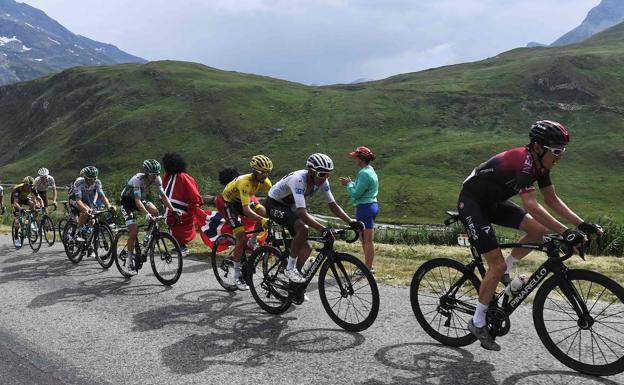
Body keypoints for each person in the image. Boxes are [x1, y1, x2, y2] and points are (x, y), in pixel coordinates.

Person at [457, 120, 602, 351]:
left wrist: (582, 225)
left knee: (539, 232)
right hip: (472, 204)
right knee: (494, 266)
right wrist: (565, 232)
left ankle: (507, 267)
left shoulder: (541, 166)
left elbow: (552, 200)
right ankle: (477, 322)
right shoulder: (523, 162)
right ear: (538, 147)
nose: (560, 155)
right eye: (556, 150)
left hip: (494, 203)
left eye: (563, 150)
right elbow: (532, 205)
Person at [266, 153, 364, 284]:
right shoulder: (298, 180)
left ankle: (294, 283)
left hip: (290, 206)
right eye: (322, 174)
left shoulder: (323, 181)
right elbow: (302, 213)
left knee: (307, 248)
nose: (325, 178)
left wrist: (351, 222)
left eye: (328, 174)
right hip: (274, 204)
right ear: (311, 172)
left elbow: (333, 205)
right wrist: (323, 229)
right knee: (303, 228)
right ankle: (289, 269)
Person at [219, 155, 274, 290]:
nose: (264, 176)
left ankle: (253, 241)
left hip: (244, 198)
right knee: (241, 238)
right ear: (254, 171)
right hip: (230, 204)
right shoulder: (245, 182)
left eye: (267, 172)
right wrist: (263, 221)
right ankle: (237, 275)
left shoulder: (266, 182)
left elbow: (274, 200)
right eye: (262, 172)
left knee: (264, 212)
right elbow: (247, 211)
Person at [120, 159, 181, 275]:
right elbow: (137, 201)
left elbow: (163, 196)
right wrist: (146, 214)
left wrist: (173, 211)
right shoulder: (138, 179)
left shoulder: (157, 179)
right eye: (153, 174)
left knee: (156, 212)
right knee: (133, 232)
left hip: (139, 200)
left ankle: (146, 240)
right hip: (127, 202)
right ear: (146, 173)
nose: (155, 177)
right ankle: (129, 263)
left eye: (157, 174)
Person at [339, 146, 379, 273]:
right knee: (364, 239)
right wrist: (352, 183)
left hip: (365, 208)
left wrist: (349, 184)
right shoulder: (370, 170)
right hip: (371, 205)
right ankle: (367, 266)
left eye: (356, 157)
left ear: (361, 159)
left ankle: (368, 268)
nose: (354, 159)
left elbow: (356, 194)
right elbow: (362, 188)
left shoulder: (363, 173)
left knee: (367, 240)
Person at [162, 152, 203, 255]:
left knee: (179, 227)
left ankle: (182, 247)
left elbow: (195, 195)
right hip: (172, 209)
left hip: (182, 210)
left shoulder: (184, 177)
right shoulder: (168, 177)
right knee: (174, 227)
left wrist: (192, 208)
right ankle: (179, 246)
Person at [68, 166, 115, 242]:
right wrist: (85, 209)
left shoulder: (97, 182)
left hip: (85, 198)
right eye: (90, 179)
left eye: (94, 178)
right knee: (86, 211)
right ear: (85, 178)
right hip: (74, 198)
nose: (93, 181)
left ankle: (87, 238)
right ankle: (77, 232)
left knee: (92, 219)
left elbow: (102, 196)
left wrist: (109, 206)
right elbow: (78, 200)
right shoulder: (79, 182)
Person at [10, 176, 44, 247]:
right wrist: (20, 209)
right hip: (16, 201)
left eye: (31, 186)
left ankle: (29, 221)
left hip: (23, 198)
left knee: (32, 204)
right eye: (28, 186)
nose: (30, 188)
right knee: (17, 219)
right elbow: (15, 203)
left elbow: (39, 198)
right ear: (24, 184)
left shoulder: (32, 188)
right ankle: (16, 238)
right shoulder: (18, 189)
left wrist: (42, 206)